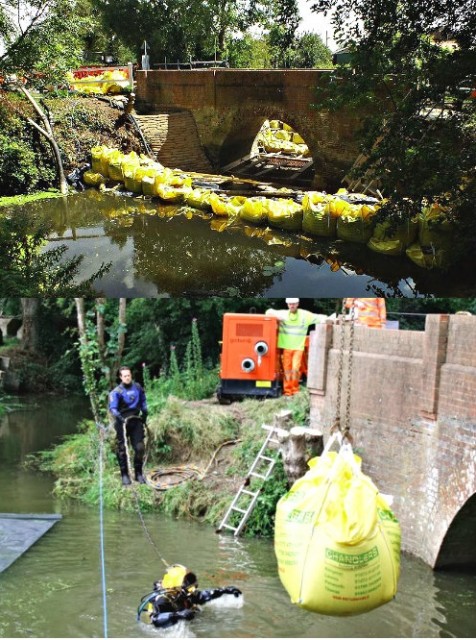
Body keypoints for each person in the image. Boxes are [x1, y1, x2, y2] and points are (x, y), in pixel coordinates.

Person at [137, 564, 242, 628]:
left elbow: (202, 596)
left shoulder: (183, 593)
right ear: (175, 586)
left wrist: (224, 590)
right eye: (188, 587)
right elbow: (156, 620)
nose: (192, 591)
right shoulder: (161, 600)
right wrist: (178, 615)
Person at [266, 298, 331, 397]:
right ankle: (288, 392)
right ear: (287, 304)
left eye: (293, 304)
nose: (291, 306)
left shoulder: (304, 315)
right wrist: (278, 318)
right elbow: (268, 312)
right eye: (290, 304)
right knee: (287, 370)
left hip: (298, 348)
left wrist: (330, 318)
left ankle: (294, 390)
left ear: (297, 304)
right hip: (287, 348)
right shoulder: (283, 314)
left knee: (295, 369)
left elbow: (319, 317)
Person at [108, 366, 148, 485]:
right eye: (124, 376)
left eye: (129, 375)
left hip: (136, 421)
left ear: (131, 375)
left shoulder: (138, 387)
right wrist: (119, 417)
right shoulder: (116, 392)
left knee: (140, 447)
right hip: (122, 423)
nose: (127, 378)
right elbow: (113, 408)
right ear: (121, 377)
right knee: (122, 449)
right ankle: (124, 475)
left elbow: (143, 400)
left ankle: (138, 473)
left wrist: (145, 411)